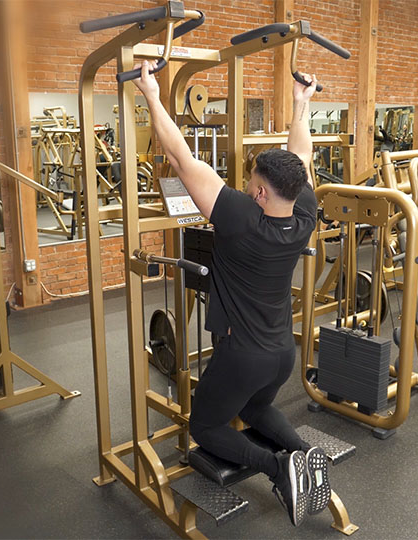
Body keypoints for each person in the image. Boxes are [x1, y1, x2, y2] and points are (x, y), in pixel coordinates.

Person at [132, 60, 329, 526]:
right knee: (257, 407)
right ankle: (303, 453)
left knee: (206, 426)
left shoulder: (241, 219)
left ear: (260, 193)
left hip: (243, 354)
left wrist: (151, 95)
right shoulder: (304, 214)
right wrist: (301, 106)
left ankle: (278, 465)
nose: (245, 185)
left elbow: (180, 158)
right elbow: (301, 159)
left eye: (251, 181)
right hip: (283, 350)